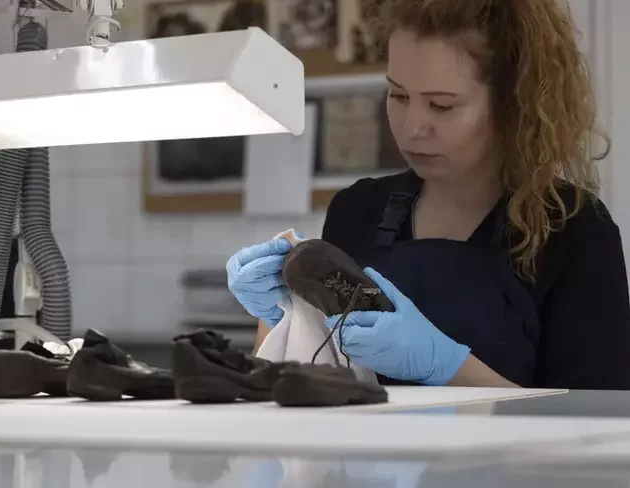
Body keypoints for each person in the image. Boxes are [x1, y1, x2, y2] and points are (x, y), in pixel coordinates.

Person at [226, 0, 630, 390]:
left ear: (512, 105)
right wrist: (281, 314)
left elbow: (593, 425)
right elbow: (309, 380)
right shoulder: (356, 210)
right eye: (398, 96)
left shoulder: (573, 229)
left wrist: (445, 365)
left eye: (441, 106)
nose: (412, 127)